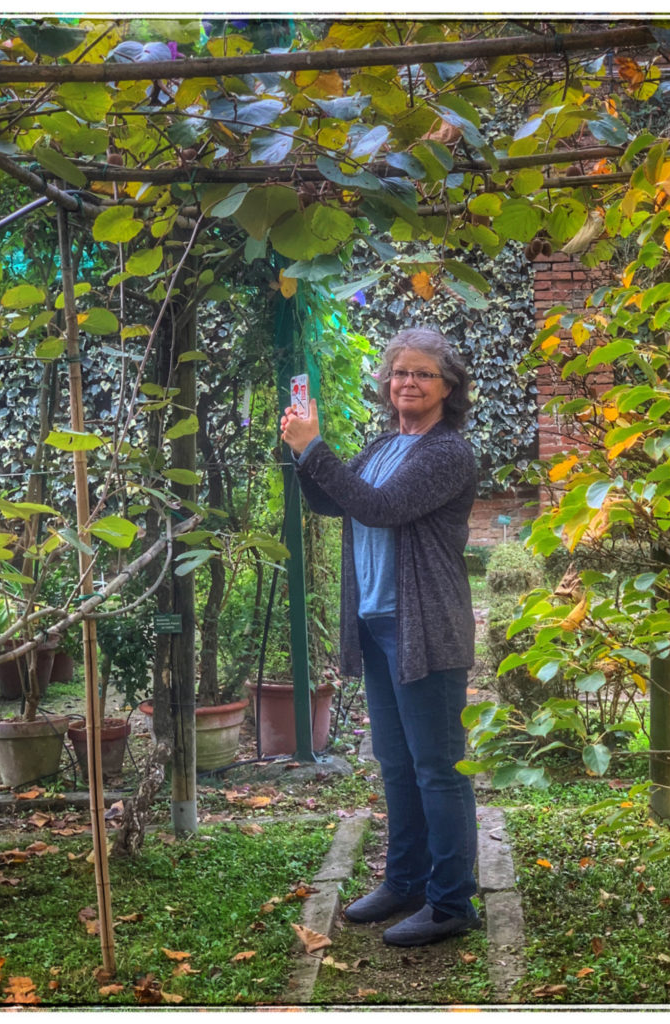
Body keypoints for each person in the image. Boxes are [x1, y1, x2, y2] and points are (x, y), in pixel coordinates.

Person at [279, 327, 479, 947]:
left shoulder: (448, 453)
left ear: (448, 387)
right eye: (398, 373)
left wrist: (318, 452)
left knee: (438, 768)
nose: (407, 383)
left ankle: (451, 903)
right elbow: (335, 501)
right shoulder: (383, 444)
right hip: (378, 620)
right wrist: (301, 450)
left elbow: (380, 508)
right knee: (396, 764)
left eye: (422, 374)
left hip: (426, 627)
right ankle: (406, 880)